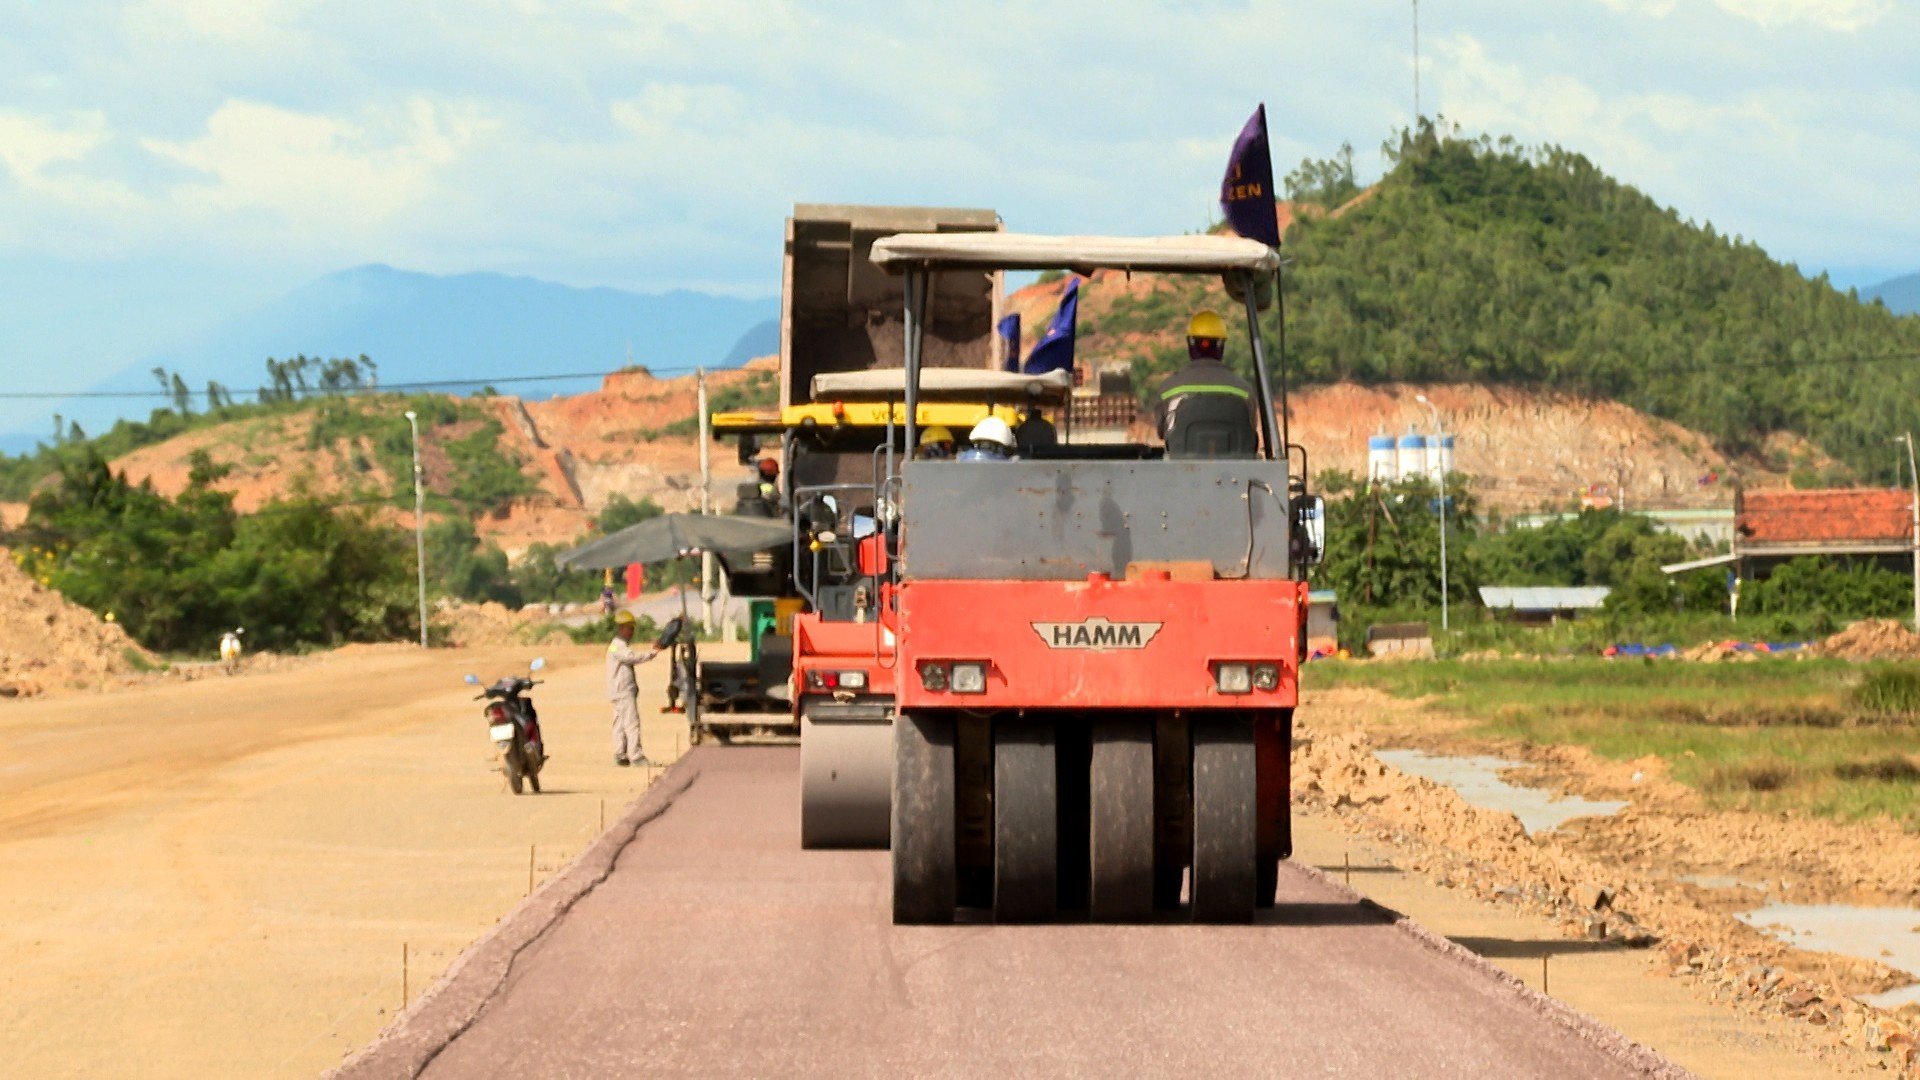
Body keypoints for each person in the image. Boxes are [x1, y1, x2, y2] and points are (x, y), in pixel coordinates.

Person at [1154, 309, 1259, 458]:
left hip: (1180, 476)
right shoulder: (1244, 390)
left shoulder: (1168, 389)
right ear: (1221, 346)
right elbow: (1250, 432)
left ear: (1190, 344)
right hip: (1236, 477)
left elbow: (1162, 432)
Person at [606, 609, 662, 767]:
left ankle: (620, 753)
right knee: (632, 723)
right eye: (630, 628)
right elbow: (631, 657)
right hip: (623, 692)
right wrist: (652, 653)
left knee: (619, 723)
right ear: (622, 628)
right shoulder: (617, 647)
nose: (632, 632)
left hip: (620, 691)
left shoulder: (619, 645)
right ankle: (636, 756)